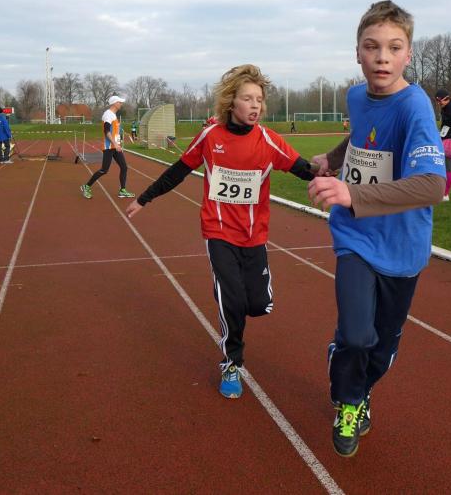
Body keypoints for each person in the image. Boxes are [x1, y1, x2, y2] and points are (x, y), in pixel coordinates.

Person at [126, 64, 317, 399]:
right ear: (231, 102)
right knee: (233, 300)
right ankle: (232, 362)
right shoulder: (211, 136)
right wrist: (145, 197)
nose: (255, 105)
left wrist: (338, 180)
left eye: (259, 99)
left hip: (254, 234)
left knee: (257, 304)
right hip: (219, 231)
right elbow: (179, 170)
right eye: (248, 98)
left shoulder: (268, 141)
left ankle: (233, 295)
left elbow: (304, 169)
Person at [307, 0, 445, 458]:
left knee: (380, 350)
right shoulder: (355, 97)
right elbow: (362, 136)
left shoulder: (415, 107)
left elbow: (432, 185)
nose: (382, 57)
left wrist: (352, 193)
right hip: (355, 236)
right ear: (357, 53)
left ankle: (361, 387)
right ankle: (349, 402)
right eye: (372, 47)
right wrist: (333, 158)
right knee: (355, 336)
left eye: (394, 47)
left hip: (403, 247)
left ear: (409, 55)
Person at [80, 96, 136, 199]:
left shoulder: (113, 115)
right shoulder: (108, 114)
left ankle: (122, 190)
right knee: (104, 170)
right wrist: (115, 143)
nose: (121, 104)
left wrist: (118, 141)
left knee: (124, 167)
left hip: (115, 146)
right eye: (119, 102)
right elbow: (106, 131)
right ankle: (86, 186)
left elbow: (114, 130)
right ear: (114, 103)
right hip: (109, 147)